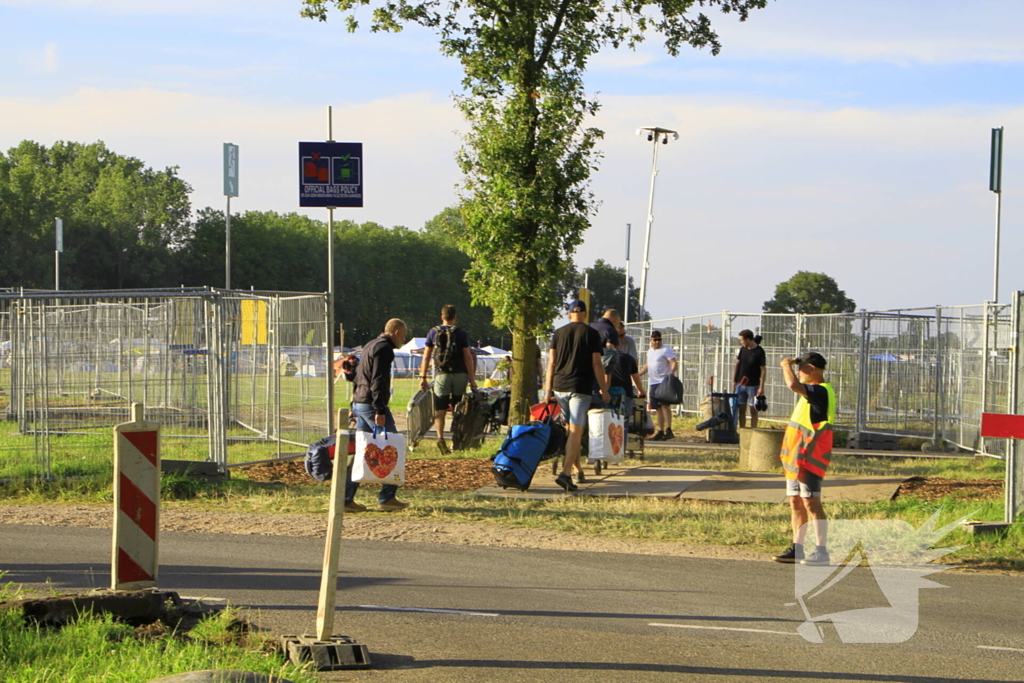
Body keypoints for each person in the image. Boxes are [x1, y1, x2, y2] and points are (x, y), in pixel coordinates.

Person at [772, 351, 836, 567]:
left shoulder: (820, 391)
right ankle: (797, 548)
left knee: (811, 502)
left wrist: (785, 365)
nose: (798, 372)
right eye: (797, 368)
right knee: (795, 502)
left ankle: (821, 550)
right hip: (797, 459)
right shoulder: (809, 395)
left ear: (813, 370)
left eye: (802, 368)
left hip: (810, 458)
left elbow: (792, 385)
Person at [544, 299, 611, 492]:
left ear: (569, 314)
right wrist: (604, 390)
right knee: (576, 431)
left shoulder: (558, 333)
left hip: (559, 386)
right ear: (585, 314)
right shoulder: (591, 334)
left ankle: (577, 469)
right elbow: (597, 364)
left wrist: (548, 390)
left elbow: (551, 363)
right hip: (579, 388)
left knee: (569, 429)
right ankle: (565, 474)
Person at [350, 318, 409, 512]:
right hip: (371, 404)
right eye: (404, 336)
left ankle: (345, 498)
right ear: (397, 332)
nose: (404, 340)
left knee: (363, 451)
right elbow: (378, 380)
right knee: (393, 447)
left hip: (360, 401)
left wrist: (354, 402)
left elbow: (359, 375)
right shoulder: (384, 349)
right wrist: (380, 410)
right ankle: (387, 497)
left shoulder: (370, 345)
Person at [420, 305, 477, 455]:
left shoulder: (433, 332)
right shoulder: (461, 333)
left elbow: (426, 356)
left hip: (442, 375)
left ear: (442, 316)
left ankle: (440, 437)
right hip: (460, 375)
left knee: (440, 409)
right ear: (455, 317)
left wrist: (423, 377)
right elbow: (467, 357)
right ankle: (456, 440)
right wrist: (472, 379)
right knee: (458, 409)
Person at [639, 330, 678, 441]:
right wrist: (639, 374)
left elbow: (674, 363)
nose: (657, 342)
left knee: (665, 406)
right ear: (650, 340)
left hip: (663, 382)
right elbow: (648, 365)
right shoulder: (650, 351)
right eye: (655, 339)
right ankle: (660, 431)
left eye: (659, 339)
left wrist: (671, 373)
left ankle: (669, 430)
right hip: (653, 382)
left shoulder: (666, 350)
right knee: (657, 408)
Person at [733, 330, 767, 429]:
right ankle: (742, 430)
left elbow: (763, 369)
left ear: (747, 339)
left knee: (753, 410)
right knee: (741, 409)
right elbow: (737, 364)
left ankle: (753, 430)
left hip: (753, 385)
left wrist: (761, 386)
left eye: (741, 340)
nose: (740, 342)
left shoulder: (759, 351)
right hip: (741, 385)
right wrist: (734, 380)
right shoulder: (743, 350)